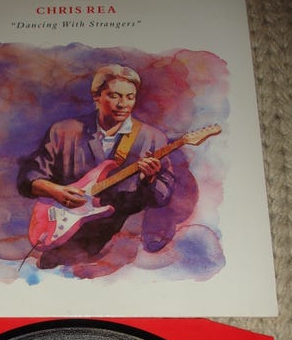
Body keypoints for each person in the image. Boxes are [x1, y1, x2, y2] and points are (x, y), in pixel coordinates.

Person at [17, 64, 176, 268]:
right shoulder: (64, 131)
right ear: (96, 97)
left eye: (130, 97)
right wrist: (55, 191)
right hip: (63, 234)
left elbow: (162, 198)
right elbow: (28, 176)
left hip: (120, 240)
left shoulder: (153, 138)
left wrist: (151, 179)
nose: (123, 104)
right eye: (114, 96)